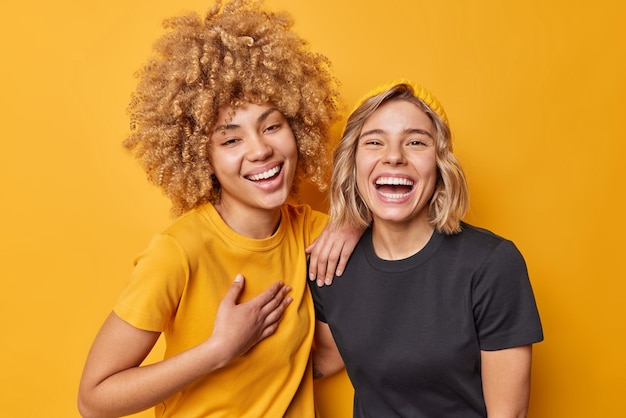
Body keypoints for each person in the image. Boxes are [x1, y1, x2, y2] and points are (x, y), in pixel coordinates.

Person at [77, 1, 360, 417]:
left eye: (272, 125)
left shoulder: (311, 233)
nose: (261, 149)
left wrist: (355, 219)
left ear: (298, 127)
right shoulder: (178, 252)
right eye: (230, 140)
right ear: (199, 156)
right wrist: (219, 350)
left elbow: (407, 232)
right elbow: (93, 401)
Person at [310, 80, 544, 417]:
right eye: (374, 142)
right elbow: (326, 358)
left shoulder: (491, 264)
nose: (393, 156)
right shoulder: (331, 264)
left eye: (416, 142)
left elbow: (508, 414)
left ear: (439, 163)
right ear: (353, 162)